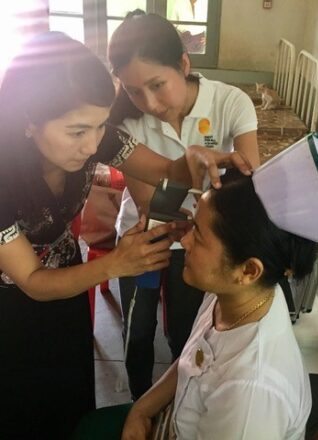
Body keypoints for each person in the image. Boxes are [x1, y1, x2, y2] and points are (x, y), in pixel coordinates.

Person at [0, 32, 250, 440]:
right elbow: (31, 280)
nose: (92, 145)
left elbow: (165, 170)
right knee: (23, 398)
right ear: (28, 120)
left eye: (100, 126)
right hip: (13, 303)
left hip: (66, 281)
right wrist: (116, 264)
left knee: (69, 386)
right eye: (77, 132)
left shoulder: (96, 137)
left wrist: (191, 159)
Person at [71, 168, 318, 440]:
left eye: (198, 235)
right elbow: (190, 361)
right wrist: (141, 410)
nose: (184, 240)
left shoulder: (249, 393)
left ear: (248, 270)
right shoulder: (234, 294)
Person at [108, 11, 259, 401]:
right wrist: (204, 185)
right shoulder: (126, 122)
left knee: (186, 330)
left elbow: (248, 185)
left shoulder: (230, 102)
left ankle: (180, 403)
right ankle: (139, 402)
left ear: (184, 64)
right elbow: (149, 207)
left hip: (199, 242)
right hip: (144, 237)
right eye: (134, 91)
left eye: (157, 85)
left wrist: (197, 203)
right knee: (137, 330)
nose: (149, 102)